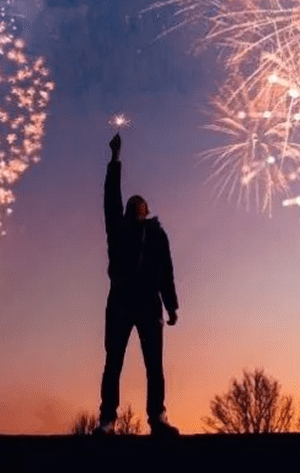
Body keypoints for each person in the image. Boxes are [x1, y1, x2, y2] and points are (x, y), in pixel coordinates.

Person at [95, 133, 179, 437]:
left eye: (138, 203)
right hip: (120, 299)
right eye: (131, 203)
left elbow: (166, 271)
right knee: (113, 361)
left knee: (154, 364)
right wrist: (115, 160)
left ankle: (157, 417)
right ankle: (107, 420)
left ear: (146, 209)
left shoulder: (157, 235)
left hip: (147, 302)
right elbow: (110, 198)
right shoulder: (118, 228)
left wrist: (171, 305)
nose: (133, 204)